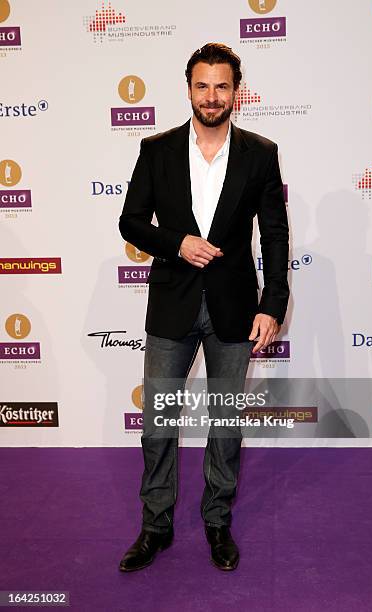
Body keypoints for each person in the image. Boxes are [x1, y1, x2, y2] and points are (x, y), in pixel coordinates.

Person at [118, 42, 289, 572]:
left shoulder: (261, 152)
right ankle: (155, 527)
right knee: (157, 424)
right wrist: (177, 243)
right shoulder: (157, 149)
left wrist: (273, 303)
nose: (211, 96)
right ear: (188, 88)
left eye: (221, 86)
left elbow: (276, 236)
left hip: (236, 308)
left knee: (225, 422)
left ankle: (218, 522)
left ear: (236, 92)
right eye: (201, 85)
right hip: (173, 303)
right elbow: (131, 222)